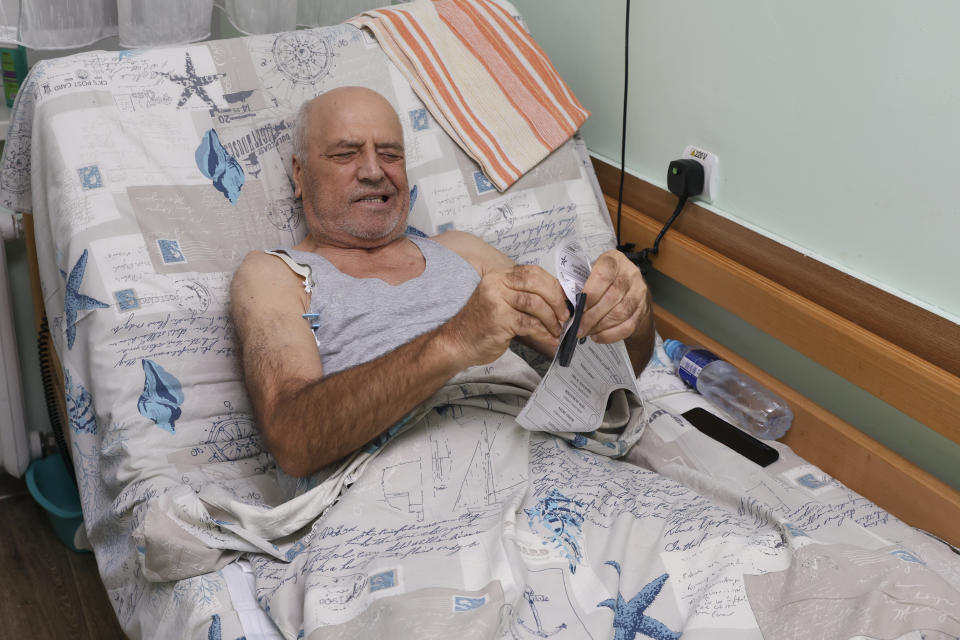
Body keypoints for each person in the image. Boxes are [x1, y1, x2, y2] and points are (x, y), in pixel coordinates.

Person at [230, 86, 654, 478]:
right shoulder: (274, 274)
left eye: (391, 154)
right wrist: (454, 341)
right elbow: (294, 442)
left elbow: (612, 372)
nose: (375, 171)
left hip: (541, 462)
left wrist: (630, 312)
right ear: (300, 175)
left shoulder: (465, 252)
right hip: (404, 488)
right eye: (346, 154)